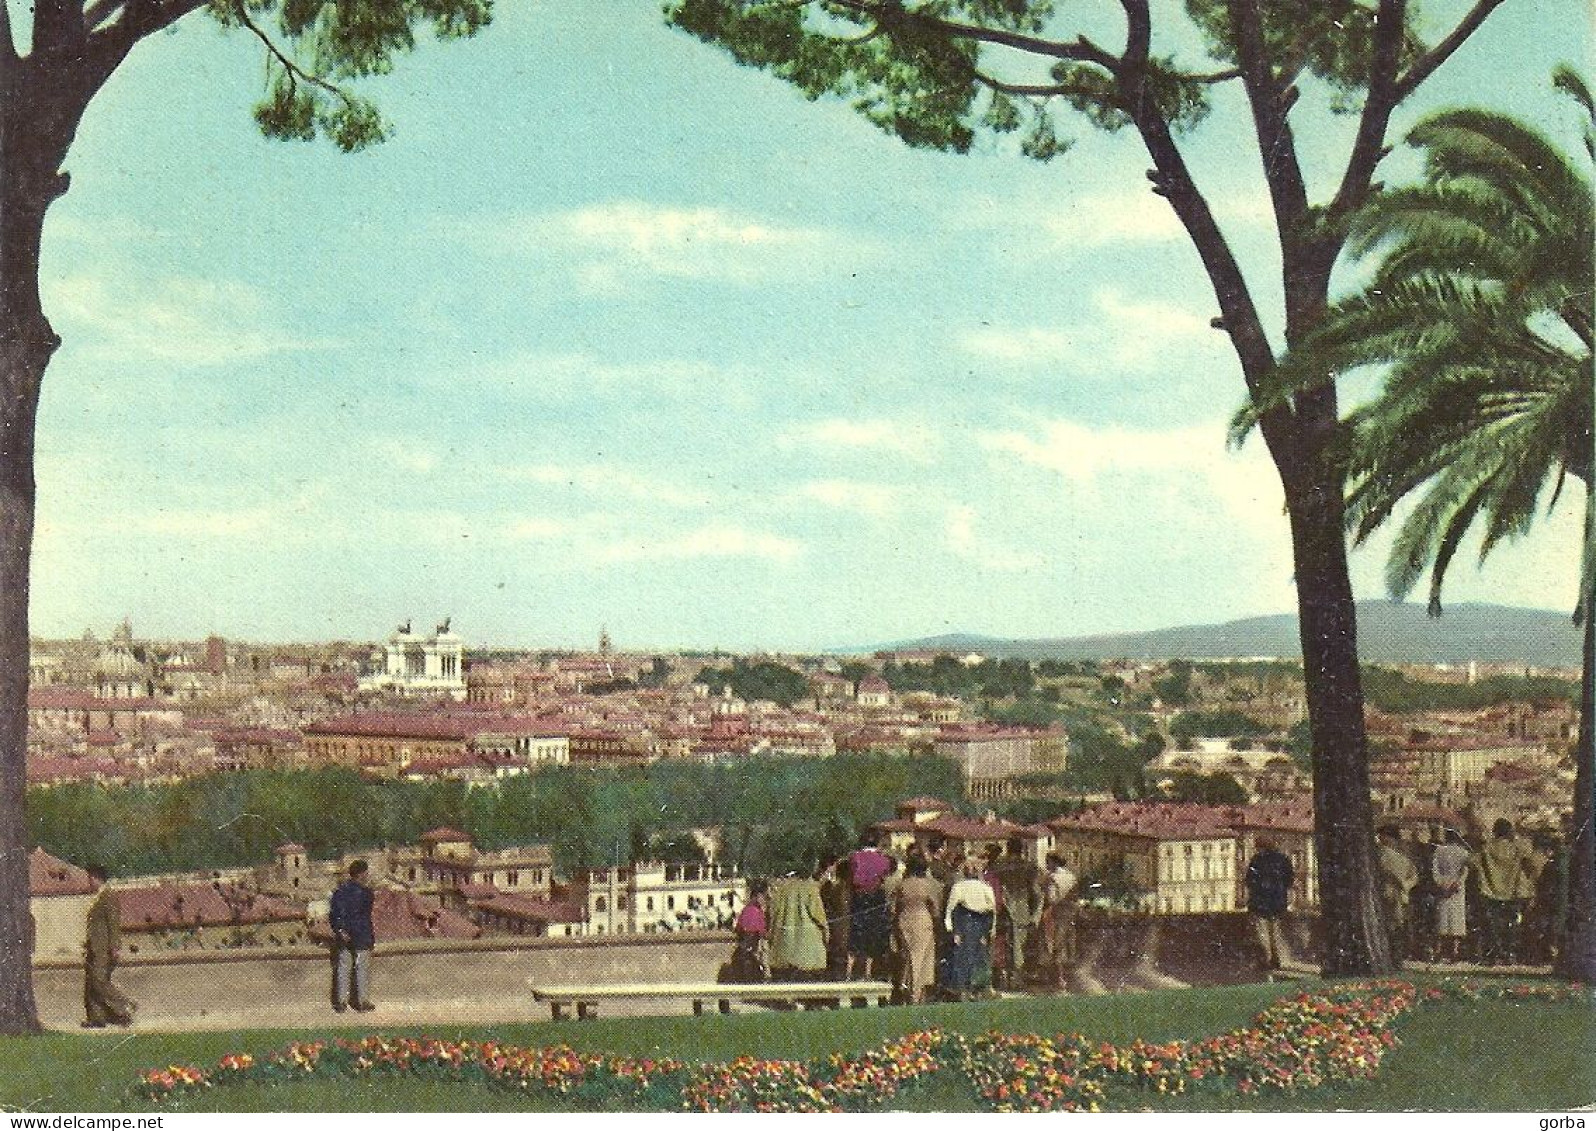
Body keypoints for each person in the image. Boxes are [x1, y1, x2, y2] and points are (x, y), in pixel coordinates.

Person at [1474, 818, 1536, 965]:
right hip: (1512, 892)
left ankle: (1493, 954)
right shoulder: (1516, 849)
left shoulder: (1487, 848)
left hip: (1490, 891)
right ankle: (1508, 954)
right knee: (1511, 925)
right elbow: (1530, 864)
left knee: (1491, 925)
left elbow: (1472, 862)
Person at [82, 865, 135, 1028]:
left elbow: (113, 922)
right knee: (91, 983)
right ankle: (97, 1018)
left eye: (90, 878)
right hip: (94, 947)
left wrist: (115, 946)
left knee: (98, 980)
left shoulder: (109, 896)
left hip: (104, 948)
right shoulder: (98, 896)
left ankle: (125, 1004)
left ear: (97, 878)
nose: (89, 882)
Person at [943, 858, 997, 999]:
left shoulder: (960, 887)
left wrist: (952, 929)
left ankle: (969, 987)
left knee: (969, 956)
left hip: (969, 921)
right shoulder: (984, 887)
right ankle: (971, 988)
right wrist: (991, 929)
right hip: (972, 921)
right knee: (974, 955)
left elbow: (950, 909)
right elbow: (992, 910)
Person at [891, 855, 941, 1004]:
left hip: (904, 920)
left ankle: (907, 989)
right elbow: (935, 908)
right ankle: (916, 994)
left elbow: (893, 908)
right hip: (922, 920)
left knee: (907, 957)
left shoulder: (902, 885)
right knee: (920, 958)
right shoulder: (927, 885)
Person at [329, 859, 377, 1012]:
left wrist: (340, 930)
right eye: (366, 873)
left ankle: (341, 1002)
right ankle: (362, 1002)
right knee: (361, 968)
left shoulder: (339, 892)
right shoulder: (366, 893)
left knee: (343, 968)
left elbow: (334, 914)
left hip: (344, 934)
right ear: (362, 874)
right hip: (361, 934)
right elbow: (366, 913)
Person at [767, 867, 829, 982]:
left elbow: (772, 917)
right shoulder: (811, 889)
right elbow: (819, 917)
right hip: (808, 954)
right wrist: (826, 935)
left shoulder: (780, 891)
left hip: (783, 950)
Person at [847, 834, 893, 980]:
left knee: (855, 933)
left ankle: (848, 971)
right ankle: (867, 971)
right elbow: (885, 875)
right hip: (875, 897)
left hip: (858, 897)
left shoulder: (855, 857)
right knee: (872, 933)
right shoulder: (883, 860)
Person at [1244, 839, 1294, 971]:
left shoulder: (1257, 860)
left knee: (1262, 932)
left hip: (1260, 902)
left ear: (1261, 847)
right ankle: (1277, 959)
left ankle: (1266, 959)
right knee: (1275, 931)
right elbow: (1290, 879)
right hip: (1277, 902)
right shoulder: (1283, 859)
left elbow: (1249, 880)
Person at [1376, 825, 1418, 963]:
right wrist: (1405, 885)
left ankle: (1390, 957)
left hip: (1386, 894)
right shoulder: (1404, 859)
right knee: (1398, 926)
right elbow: (1414, 877)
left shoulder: (1380, 855)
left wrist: (1400, 882)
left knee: (1387, 926)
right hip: (1401, 896)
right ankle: (1397, 957)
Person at [1431, 828, 1472, 963]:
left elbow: (1435, 870)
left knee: (1441, 917)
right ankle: (1455, 950)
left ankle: (1438, 950)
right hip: (1457, 888)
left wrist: (1441, 883)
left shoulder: (1439, 851)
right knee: (1456, 918)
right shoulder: (1464, 853)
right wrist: (1458, 883)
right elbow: (1465, 871)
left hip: (1443, 886)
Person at [1042, 852, 1079, 989]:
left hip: (1057, 912)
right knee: (1069, 943)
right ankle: (1067, 978)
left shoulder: (1052, 878)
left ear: (1054, 862)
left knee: (1055, 944)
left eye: (1048, 862)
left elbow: (1052, 899)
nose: (1046, 865)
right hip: (1071, 912)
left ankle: (1059, 978)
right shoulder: (1071, 876)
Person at [726, 879, 769, 982]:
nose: (764, 900)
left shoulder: (746, 910)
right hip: (752, 947)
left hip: (743, 948)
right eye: (764, 897)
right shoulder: (757, 911)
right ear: (758, 896)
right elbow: (762, 933)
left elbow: (738, 929)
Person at [819, 856, 852, 979]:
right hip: (844, 925)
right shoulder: (845, 888)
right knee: (841, 957)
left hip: (834, 924)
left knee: (835, 957)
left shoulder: (831, 887)